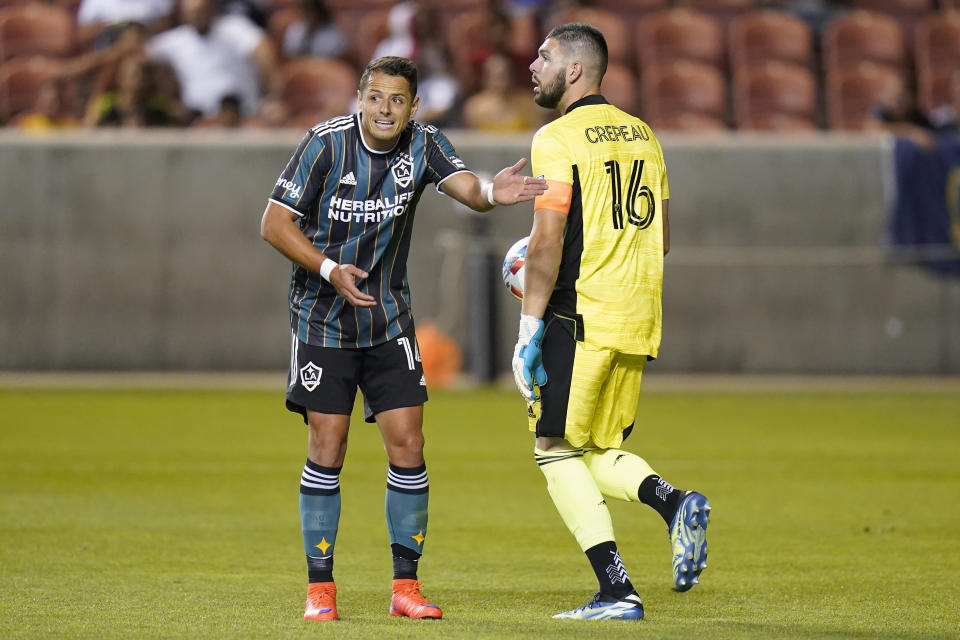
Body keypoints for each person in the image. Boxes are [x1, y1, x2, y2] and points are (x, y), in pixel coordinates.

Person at [259, 55, 547, 622]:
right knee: (328, 447)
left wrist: (494, 190)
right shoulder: (323, 145)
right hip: (322, 318)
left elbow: (467, 188)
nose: (384, 109)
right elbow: (274, 222)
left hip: (390, 320)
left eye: (397, 100)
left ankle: (405, 587)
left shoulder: (425, 142)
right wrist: (328, 270)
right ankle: (321, 589)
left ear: (413, 107)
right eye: (375, 98)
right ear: (359, 99)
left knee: (409, 446)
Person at [513, 23, 712, 620]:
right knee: (594, 447)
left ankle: (616, 589)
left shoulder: (556, 137)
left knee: (551, 448)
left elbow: (546, 243)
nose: (533, 64)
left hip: (581, 315)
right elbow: (665, 238)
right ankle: (673, 503)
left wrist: (528, 328)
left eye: (544, 56)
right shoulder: (644, 134)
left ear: (574, 70)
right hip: (637, 316)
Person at [144, 0, 282, 122]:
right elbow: (142, 55)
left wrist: (273, 97)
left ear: (211, 10)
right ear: (183, 15)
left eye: (200, 11)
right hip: (197, 121)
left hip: (242, 117)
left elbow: (263, 51)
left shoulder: (234, 28)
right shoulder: (177, 40)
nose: (196, 16)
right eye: (191, 13)